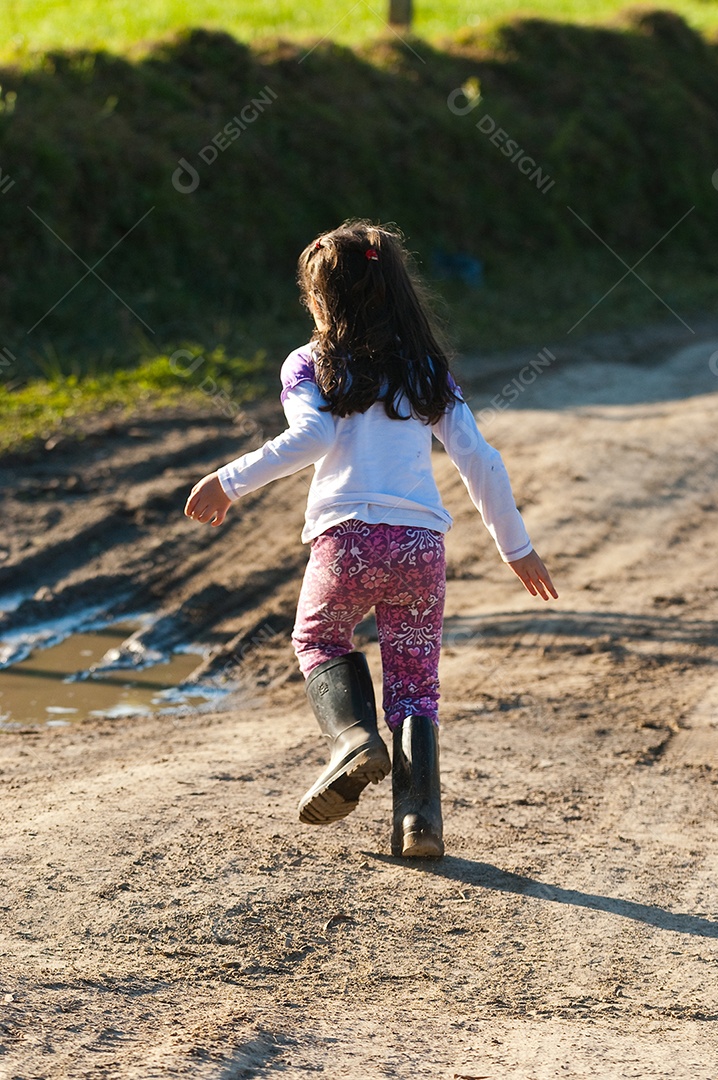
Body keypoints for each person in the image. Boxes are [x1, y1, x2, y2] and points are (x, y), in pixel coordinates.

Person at [185, 220, 557, 859]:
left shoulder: (309, 364)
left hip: (348, 541)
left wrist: (229, 479)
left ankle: (353, 738)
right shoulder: (426, 371)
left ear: (322, 299)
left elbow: (312, 439)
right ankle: (419, 823)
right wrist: (516, 546)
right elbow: (482, 460)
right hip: (420, 549)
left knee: (319, 638)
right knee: (416, 687)